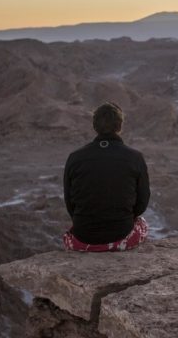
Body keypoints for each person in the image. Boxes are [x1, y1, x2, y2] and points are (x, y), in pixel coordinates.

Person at [62, 102, 150, 252]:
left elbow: (70, 203)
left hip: (83, 236)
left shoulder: (75, 158)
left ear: (95, 126)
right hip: (121, 235)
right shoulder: (135, 158)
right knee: (142, 224)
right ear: (119, 126)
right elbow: (142, 203)